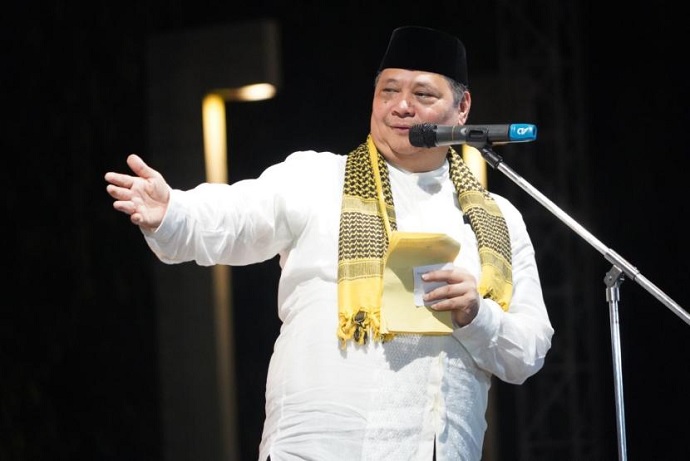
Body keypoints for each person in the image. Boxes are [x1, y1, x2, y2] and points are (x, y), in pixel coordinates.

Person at [105, 25, 554, 461]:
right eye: (388, 91)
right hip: (317, 448)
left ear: (462, 108)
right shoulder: (319, 178)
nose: (401, 107)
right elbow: (234, 217)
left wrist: (477, 315)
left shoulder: (498, 220)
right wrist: (173, 211)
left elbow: (528, 349)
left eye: (423, 95)